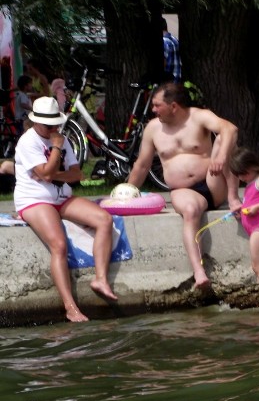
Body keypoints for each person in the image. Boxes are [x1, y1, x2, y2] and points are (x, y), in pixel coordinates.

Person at [127, 81, 240, 290]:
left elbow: (231, 129)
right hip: (184, 191)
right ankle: (199, 272)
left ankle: (234, 198)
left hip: (213, 182)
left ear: (173, 106)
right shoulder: (153, 129)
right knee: (190, 211)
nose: (153, 110)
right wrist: (125, 195)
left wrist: (222, 156)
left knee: (223, 141)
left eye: (157, 105)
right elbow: (142, 166)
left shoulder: (199, 116)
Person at [13, 97, 117, 322]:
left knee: (104, 220)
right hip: (34, 199)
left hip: (61, 197)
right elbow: (47, 172)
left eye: (55, 124)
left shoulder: (62, 139)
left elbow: (76, 174)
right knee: (59, 245)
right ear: (36, 122)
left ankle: (100, 279)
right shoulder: (28, 141)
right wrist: (56, 150)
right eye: (48, 125)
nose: (53, 129)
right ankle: (70, 307)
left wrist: (52, 174)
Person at [229, 147, 259, 306]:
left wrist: (258, 207)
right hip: (254, 229)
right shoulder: (250, 183)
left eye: (243, 173)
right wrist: (240, 213)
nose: (241, 178)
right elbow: (250, 204)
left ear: (251, 167)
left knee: (258, 267)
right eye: (238, 175)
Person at [162, 18, 182, 82]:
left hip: (168, 82)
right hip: (177, 79)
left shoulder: (163, 42)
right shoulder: (175, 40)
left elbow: (163, 63)